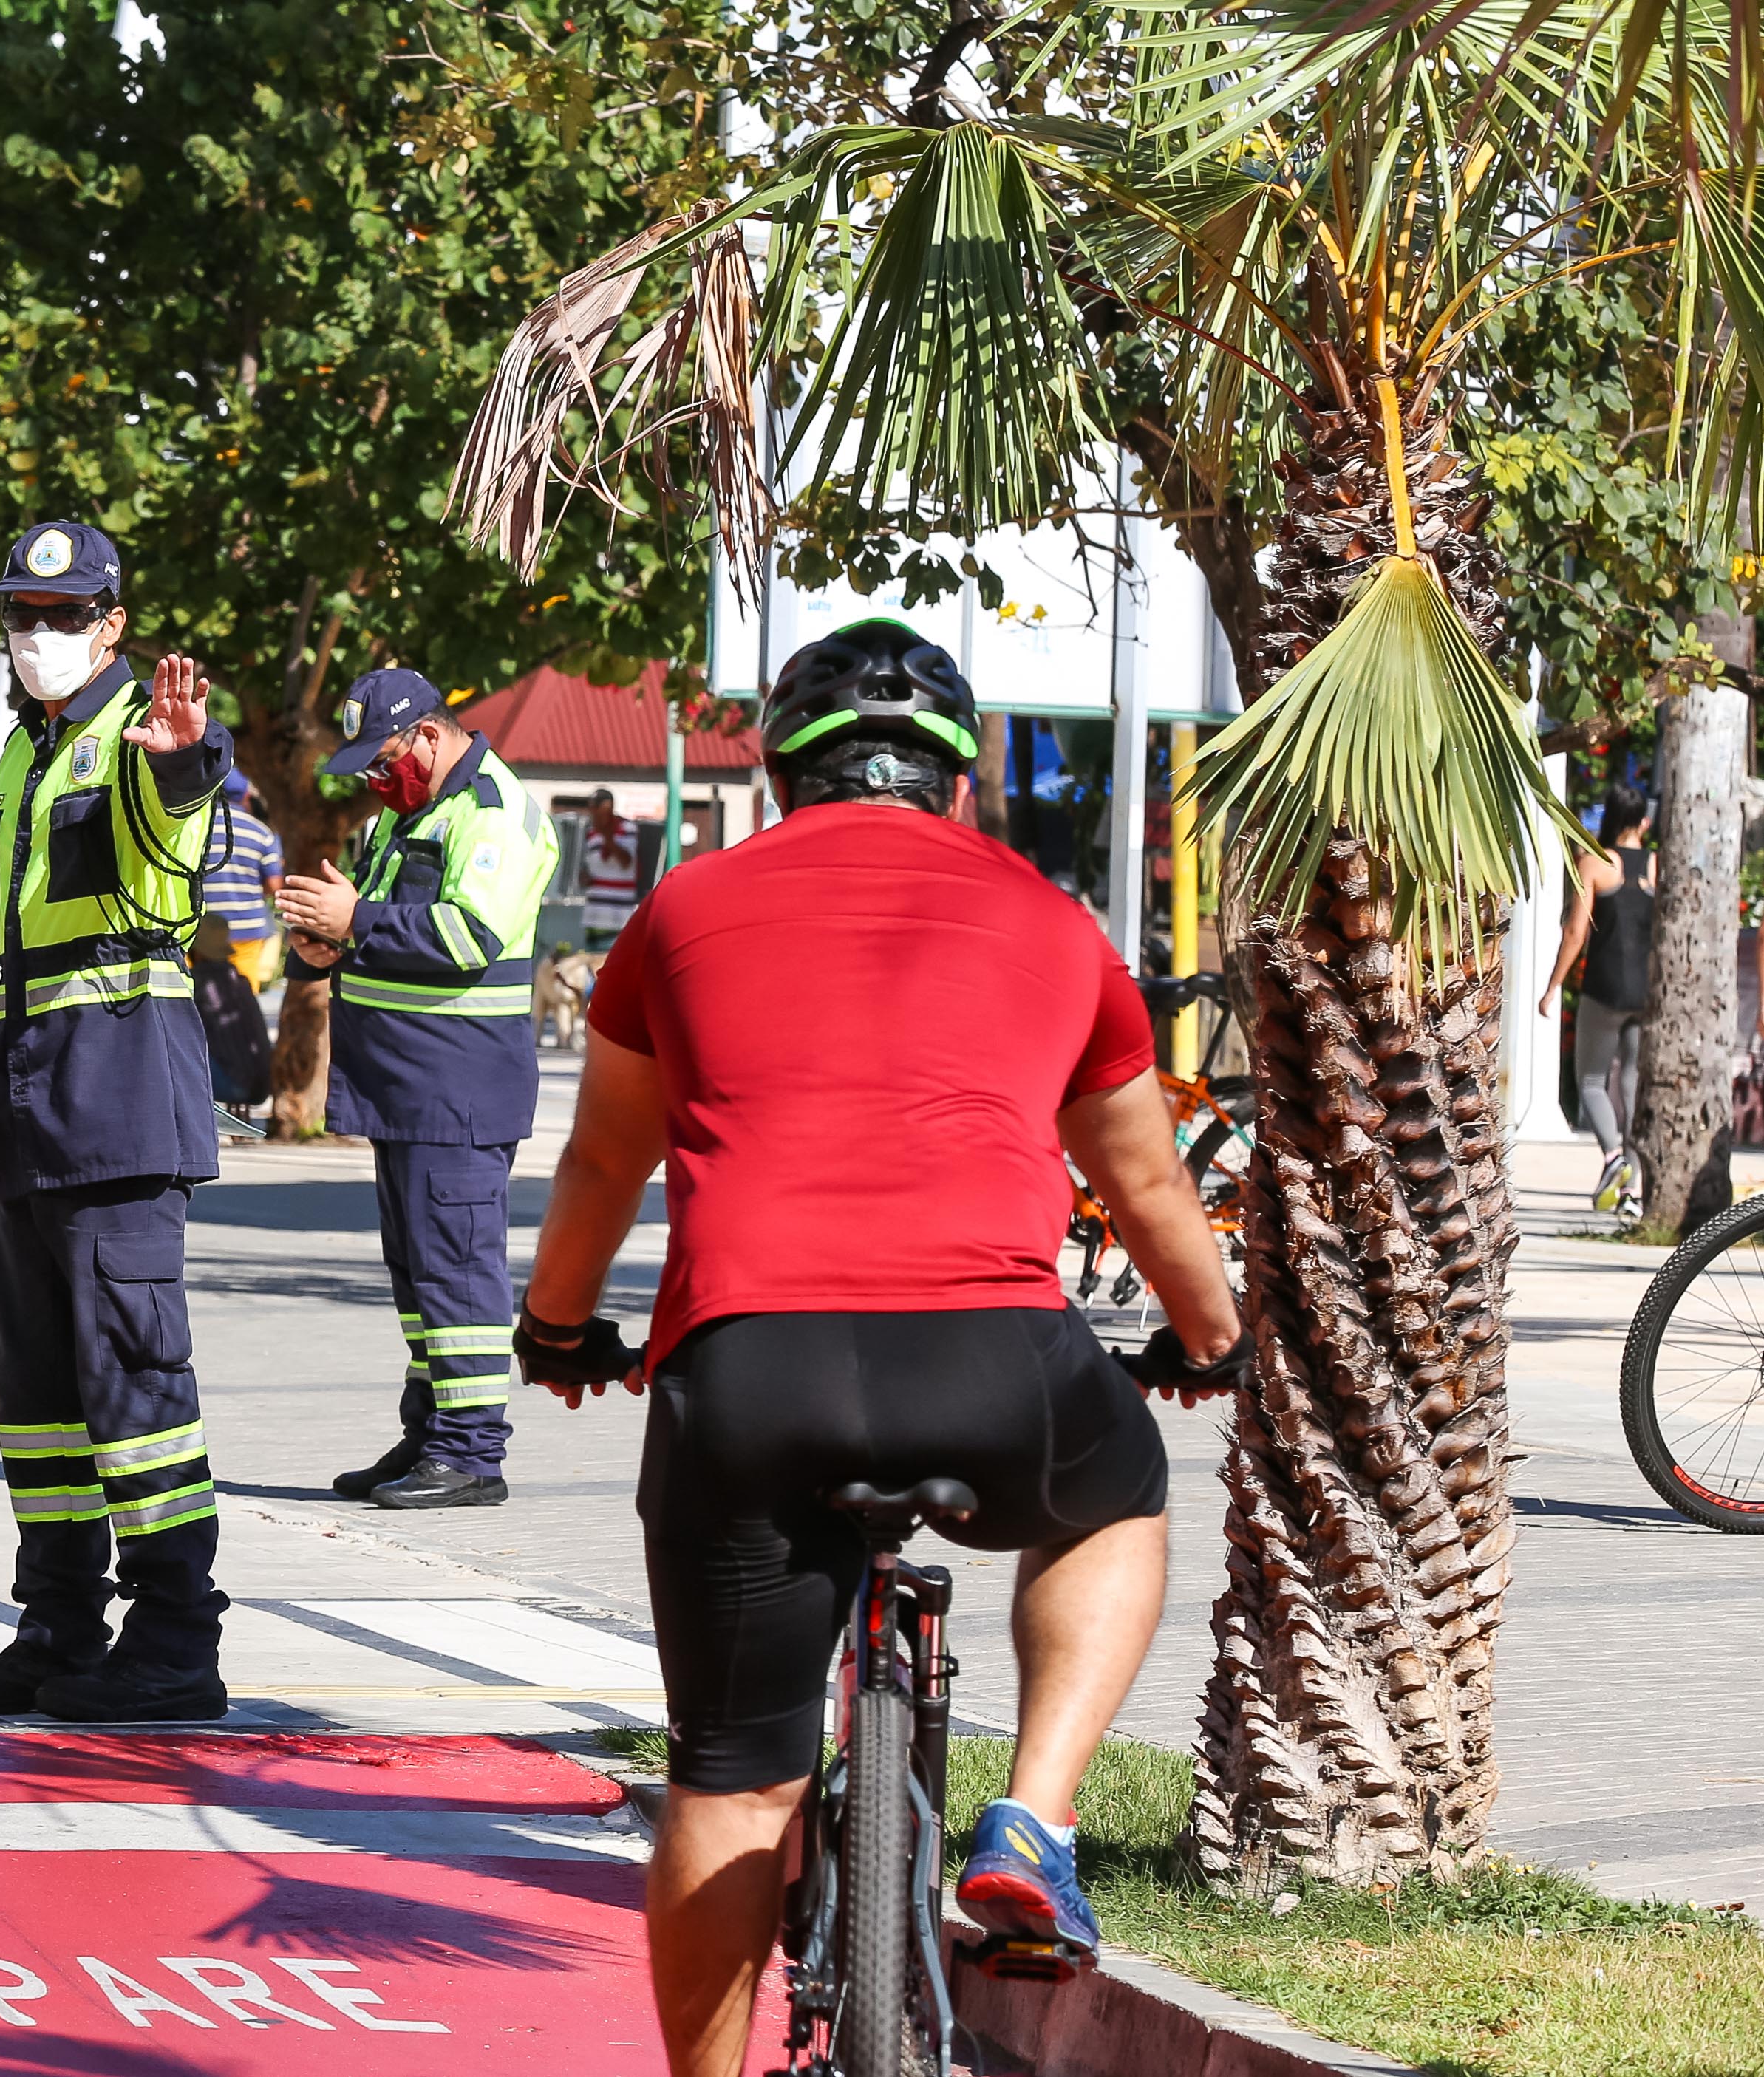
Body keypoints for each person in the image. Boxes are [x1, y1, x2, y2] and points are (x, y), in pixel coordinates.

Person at [507, 618, 1242, 2077]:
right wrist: (1207, 1337)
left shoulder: (681, 912)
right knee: (1120, 1488)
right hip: (993, 1361)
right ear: (960, 788)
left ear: (780, 779)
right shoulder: (1053, 922)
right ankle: (1031, 1812)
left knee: (726, 1783)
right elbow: (1147, 1183)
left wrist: (554, 1325)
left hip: (748, 1374)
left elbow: (601, 1164)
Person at [0, 519, 236, 1727]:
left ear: (112, 624)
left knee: (134, 1377)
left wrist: (180, 768)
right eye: (22, 616)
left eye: (63, 617)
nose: (38, 636)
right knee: (42, 1384)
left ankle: (173, 1636)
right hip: (34, 1094)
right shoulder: (27, 751)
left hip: (118, 1097)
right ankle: (57, 1619)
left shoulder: (142, 735)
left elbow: (170, 876)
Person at [278, 669, 559, 1510]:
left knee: (458, 1277)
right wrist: (322, 947)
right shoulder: (413, 817)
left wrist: (353, 922)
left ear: (431, 737)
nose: (373, 777)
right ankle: (430, 1435)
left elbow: (466, 936)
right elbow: (369, 931)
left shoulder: (494, 813)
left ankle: (472, 1455)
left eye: (384, 757)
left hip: (457, 1086)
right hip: (407, 1088)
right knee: (420, 1278)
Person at [1556, 788, 1656, 1210]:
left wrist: (1553, 986)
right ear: (1645, 823)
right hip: (1647, 991)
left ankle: (1614, 1158)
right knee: (1633, 1084)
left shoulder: (1594, 864)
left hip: (1604, 987)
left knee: (1592, 1081)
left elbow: (1576, 932)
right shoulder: (1659, 866)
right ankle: (1632, 1192)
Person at [198, 767, 288, 992]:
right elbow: (275, 885)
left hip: (201, 928)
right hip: (247, 927)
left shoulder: (196, 829)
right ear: (246, 797)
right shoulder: (262, 832)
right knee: (244, 993)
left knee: (197, 993)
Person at [576, 787, 644, 942]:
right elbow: (591, 867)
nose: (592, 813)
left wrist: (607, 836)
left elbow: (627, 861)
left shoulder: (627, 829)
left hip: (619, 917)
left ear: (608, 808)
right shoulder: (592, 833)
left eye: (596, 808)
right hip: (594, 915)